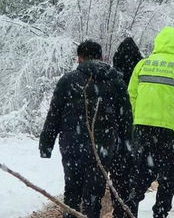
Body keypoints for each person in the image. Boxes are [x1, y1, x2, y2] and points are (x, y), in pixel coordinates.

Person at [39, 40, 133, 218]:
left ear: (79, 58)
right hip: (103, 147)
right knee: (93, 195)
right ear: (101, 57)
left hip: (72, 145)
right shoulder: (115, 81)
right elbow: (125, 118)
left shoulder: (67, 81)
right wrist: (127, 146)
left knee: (72, 192)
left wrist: (46, 144)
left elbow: (54, 115)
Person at [129, 26, 174, 218]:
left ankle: (131, 202)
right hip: (169, 129)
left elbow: (132, 94)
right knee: (169, 174)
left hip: (143, 127)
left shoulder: (143, 64)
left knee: (142, 169)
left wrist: (138, 118)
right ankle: (160, 211)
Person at [111, 37, 143, 218]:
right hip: (137, 136)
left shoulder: (112, 80)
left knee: (117, 178)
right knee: (133, 179)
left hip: (115, 139)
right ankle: (131, 211)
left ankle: (118, 210)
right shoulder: (142, 79)